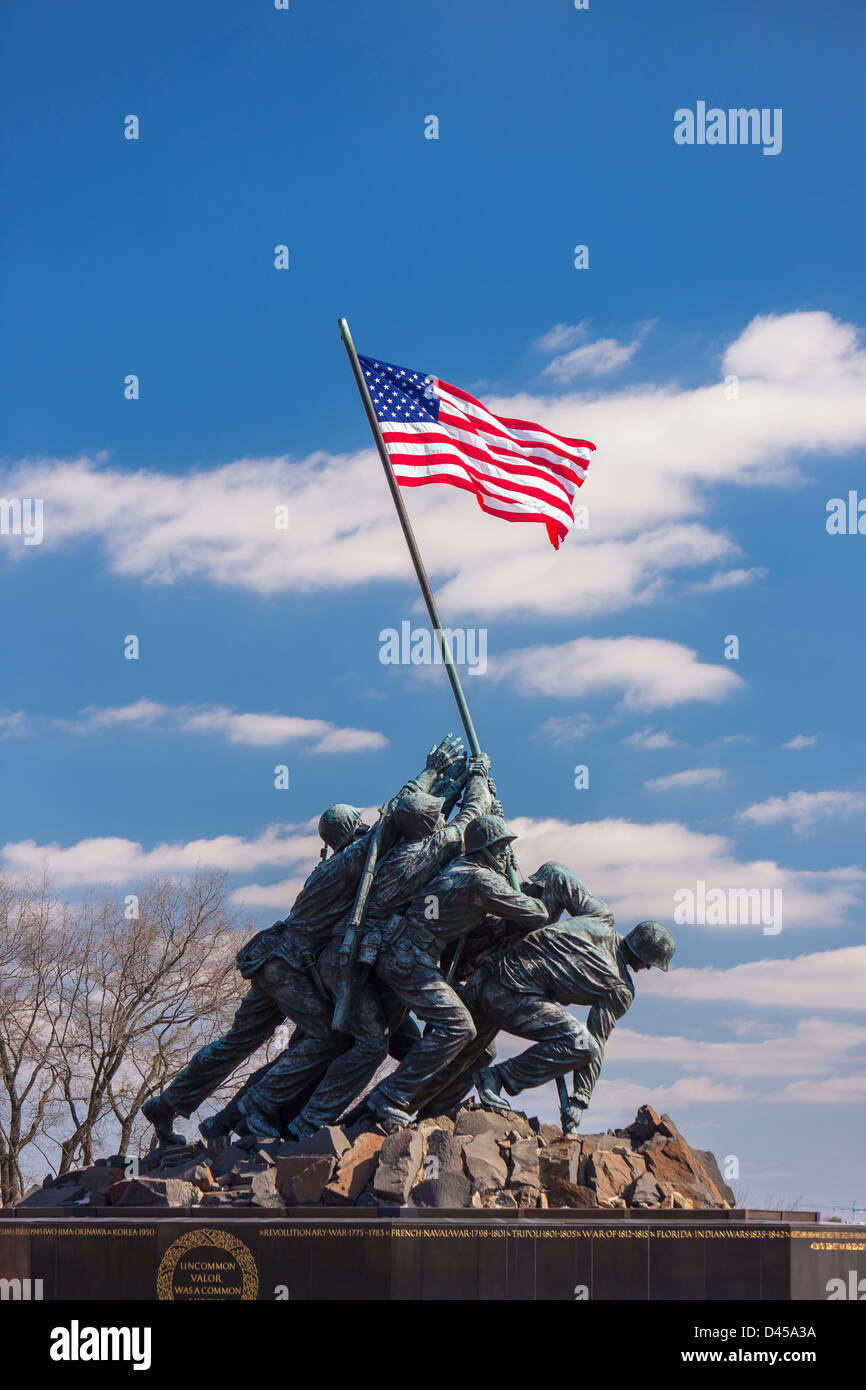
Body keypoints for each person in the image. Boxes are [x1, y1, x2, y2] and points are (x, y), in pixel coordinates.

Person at [140, 735, 464, 1146]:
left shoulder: (328, 865)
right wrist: (433, 771)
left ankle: (168, 1104)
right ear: (350, 832)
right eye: (359, 827)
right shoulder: (347, 863)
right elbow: (394, 822)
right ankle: (256, 1108)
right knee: (327, 1037)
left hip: (276, 961)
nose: (367, 830)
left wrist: (446, 788)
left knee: (235, 1044)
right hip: (289, 968)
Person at [237, 754, 494, 1139]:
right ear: (428, 827)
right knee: (371, 1044)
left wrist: (441, 778)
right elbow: (470, 817)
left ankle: (296, 1114)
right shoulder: (423, 854)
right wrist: (479, 777)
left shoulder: (390, 848)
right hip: (349, 963)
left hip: (345, 959)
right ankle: (300, 1119)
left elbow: (405, 807)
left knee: (374, 1040)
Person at [420, 865, 675, 1134]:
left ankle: (409, 1111)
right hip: (508, 999)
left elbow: (557, 874)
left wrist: (538, 909)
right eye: (650, 964)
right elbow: (593, 1043)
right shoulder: (620, 989)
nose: (647, 969)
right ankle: (496, 1078)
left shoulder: (599, 914)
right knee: (581, 1045)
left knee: (461, 1059)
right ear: (645, 958)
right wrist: (580, 1099)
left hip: (485, 977)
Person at [357, 814, 549, 1130]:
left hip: (406, 953)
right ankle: (390, 1098)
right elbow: (536, 914)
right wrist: (513, 876)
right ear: (486, 848)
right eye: (501, 848)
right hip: (410, 959)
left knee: (480, 1048)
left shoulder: (458, 870)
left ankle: (432, 1109)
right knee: (459, 1028)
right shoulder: (480, 879)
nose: (504, 855)